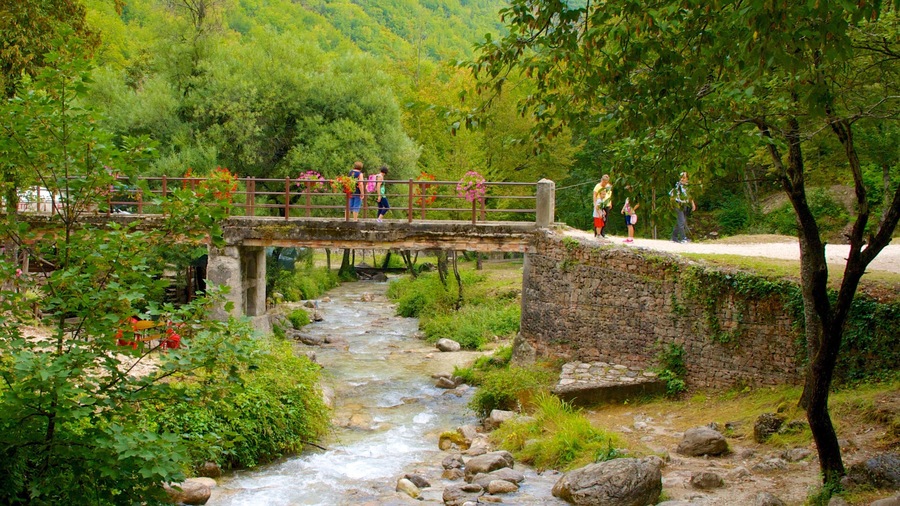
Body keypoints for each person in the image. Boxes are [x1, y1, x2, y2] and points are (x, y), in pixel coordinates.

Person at [670, 171, 696, 243]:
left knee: (680, 221)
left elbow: (689, 196)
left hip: (684, 204)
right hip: (678, 204)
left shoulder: (687, 186)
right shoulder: (677, 186)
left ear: (687, 178)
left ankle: (674, 237)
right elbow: (672, 195)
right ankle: (683, 238)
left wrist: (692, 204)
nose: (682, 179)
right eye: (681, 177)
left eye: (684, 178)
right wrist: (672, 204)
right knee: (681, 221)